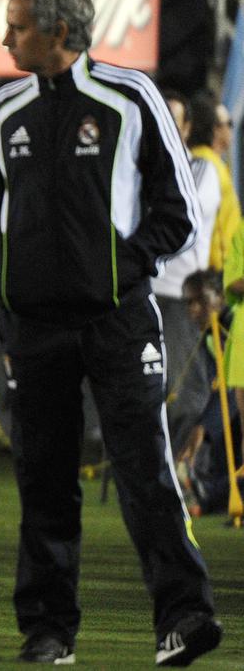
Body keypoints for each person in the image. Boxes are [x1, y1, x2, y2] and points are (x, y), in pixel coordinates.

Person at [0, 0, 219, 665]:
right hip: (33, 329)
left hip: (117, 323)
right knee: (42, 480)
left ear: (57, 31)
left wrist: (119, 272)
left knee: (144, 472)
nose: (4, 37)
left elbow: (180, 214)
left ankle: (184, 619)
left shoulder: (130, 98)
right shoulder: (2, 109)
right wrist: (5, 294)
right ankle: (48, 631)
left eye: (15, 26)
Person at [151, 90, 219, 454]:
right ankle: (153, 469)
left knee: (188, 394)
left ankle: (175, 467)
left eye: (175, 122)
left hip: (181, 295)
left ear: (188, 128)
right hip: (145, 291)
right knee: (144, 390)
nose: (168, 129)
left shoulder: (202, 169)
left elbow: (180, 216)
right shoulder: (140, 168)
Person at [176, 270, 243, 516]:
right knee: (223, 448)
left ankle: (208, 494)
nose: (194, 309)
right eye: (189, 303)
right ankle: (207, 495)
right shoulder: (209, 335)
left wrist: (201, 430)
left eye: (201, 301)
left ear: (221, 298)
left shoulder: (236, 325)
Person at [188, 91, 242, 273]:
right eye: (229, 124)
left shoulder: (208, 163)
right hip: (217, 271)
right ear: (215, 129)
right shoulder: (209, 166)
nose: (231, 129)